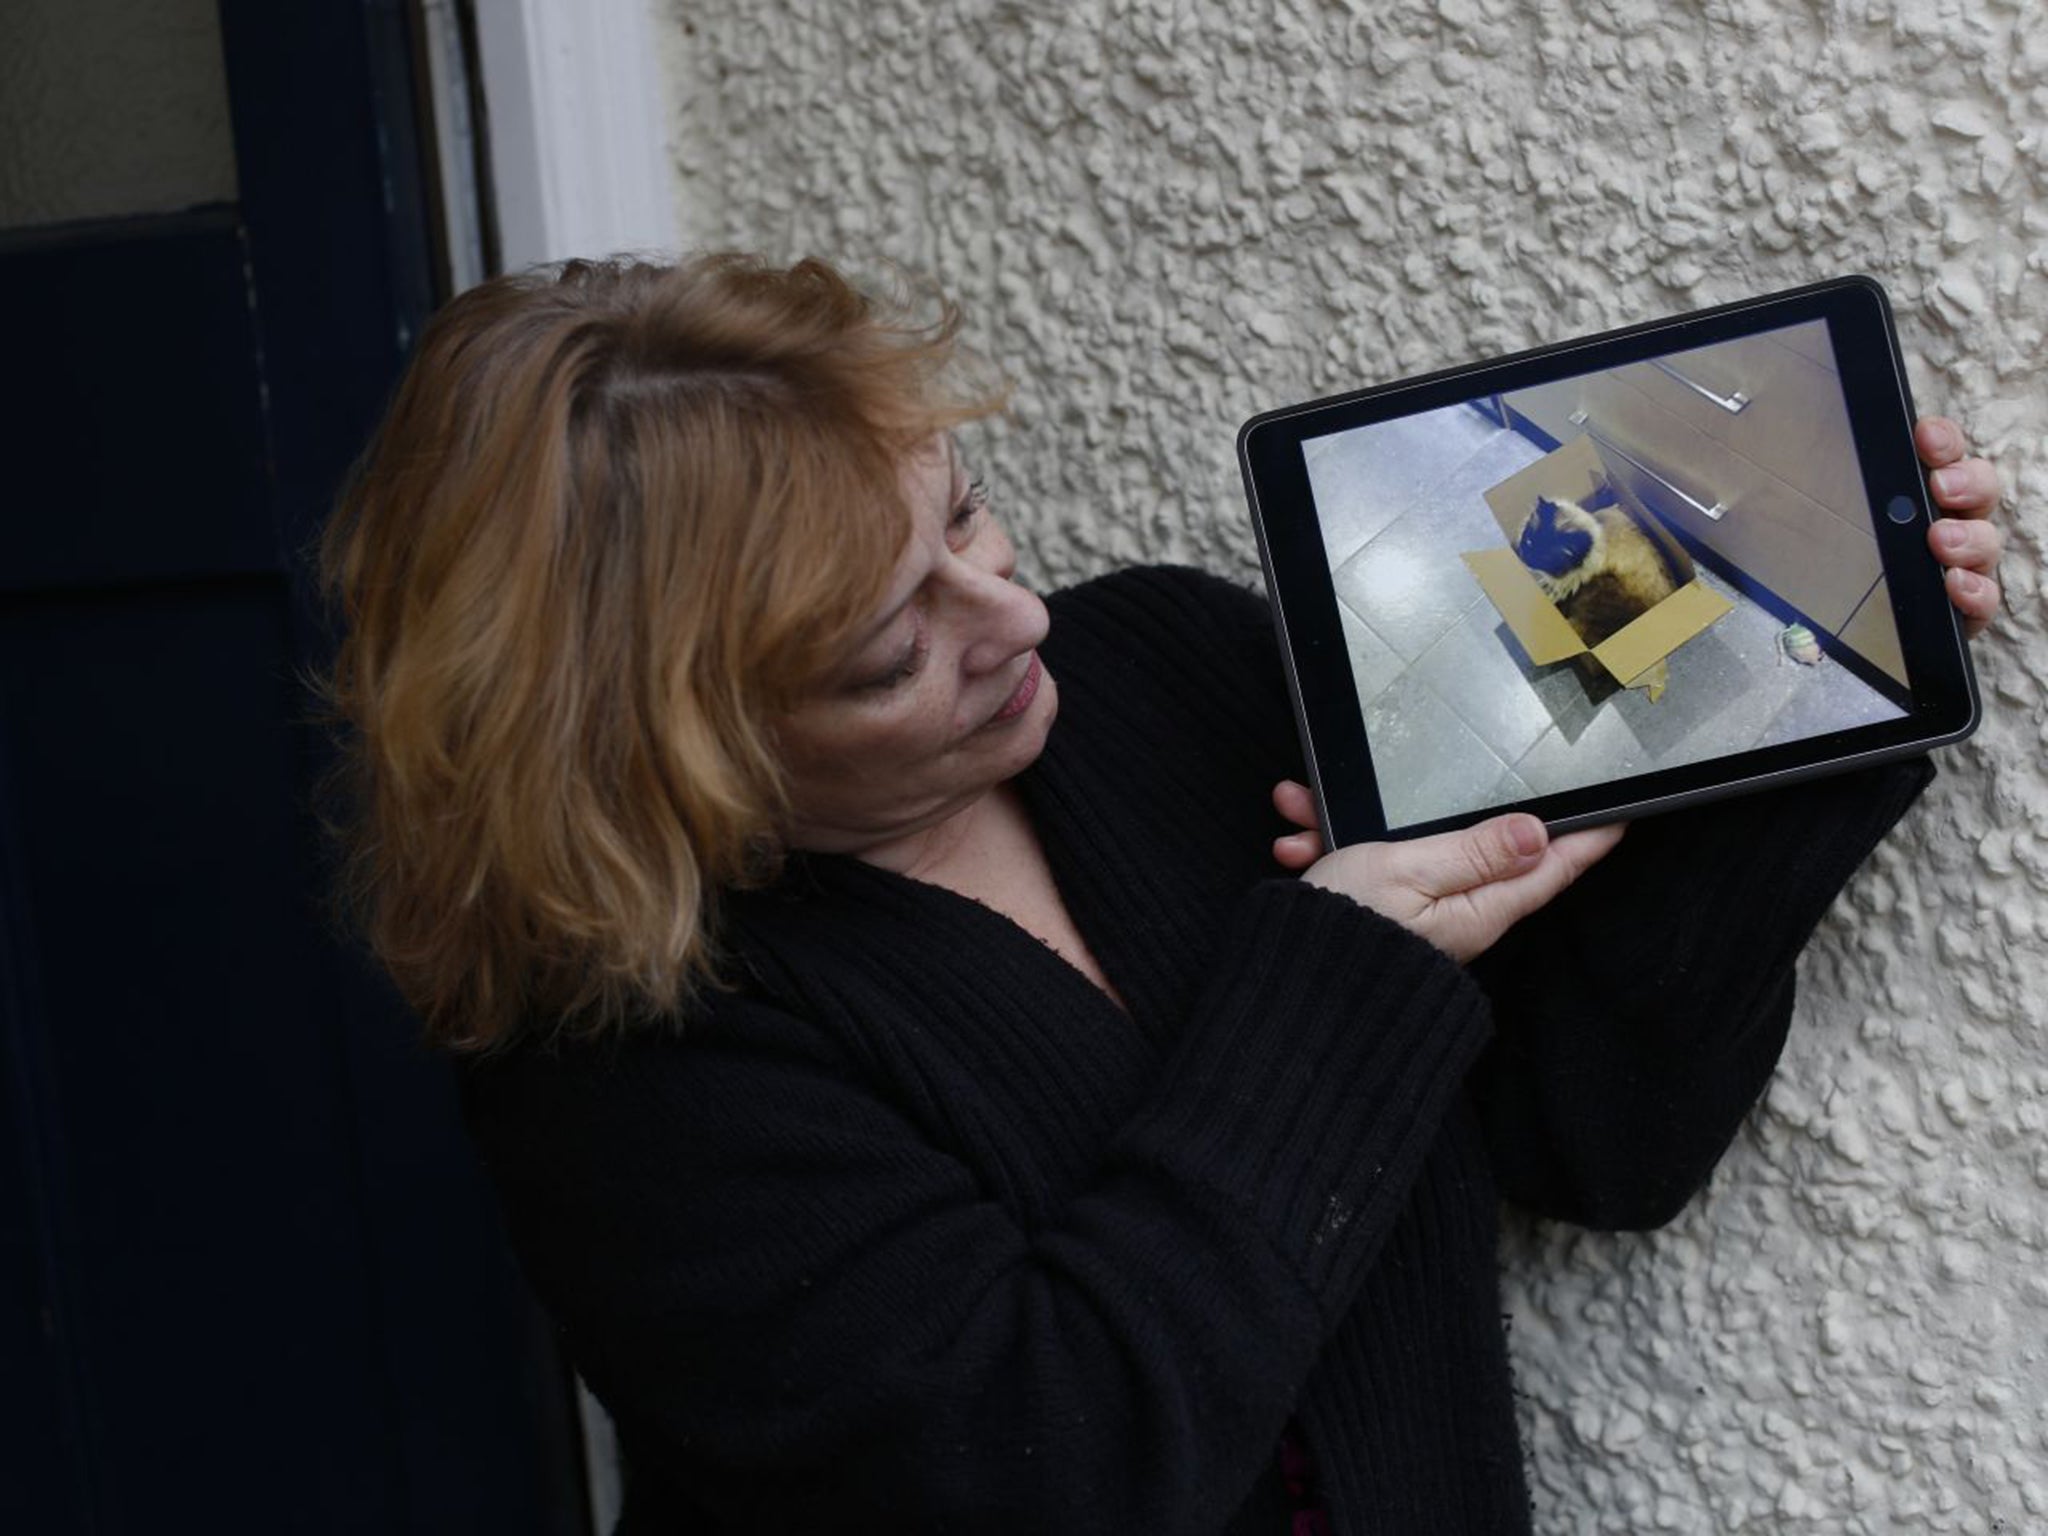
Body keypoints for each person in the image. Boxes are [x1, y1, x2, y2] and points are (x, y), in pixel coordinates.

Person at [319, 253, 2007, 1534]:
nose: (1013, 620)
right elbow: (1052, 1462)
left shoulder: (1168, 670)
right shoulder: (620, 1051)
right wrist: (1338, 968)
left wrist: (1821, 695)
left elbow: (1598, 1138)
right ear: (665, 749)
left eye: (967, 524)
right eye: (894, 649)